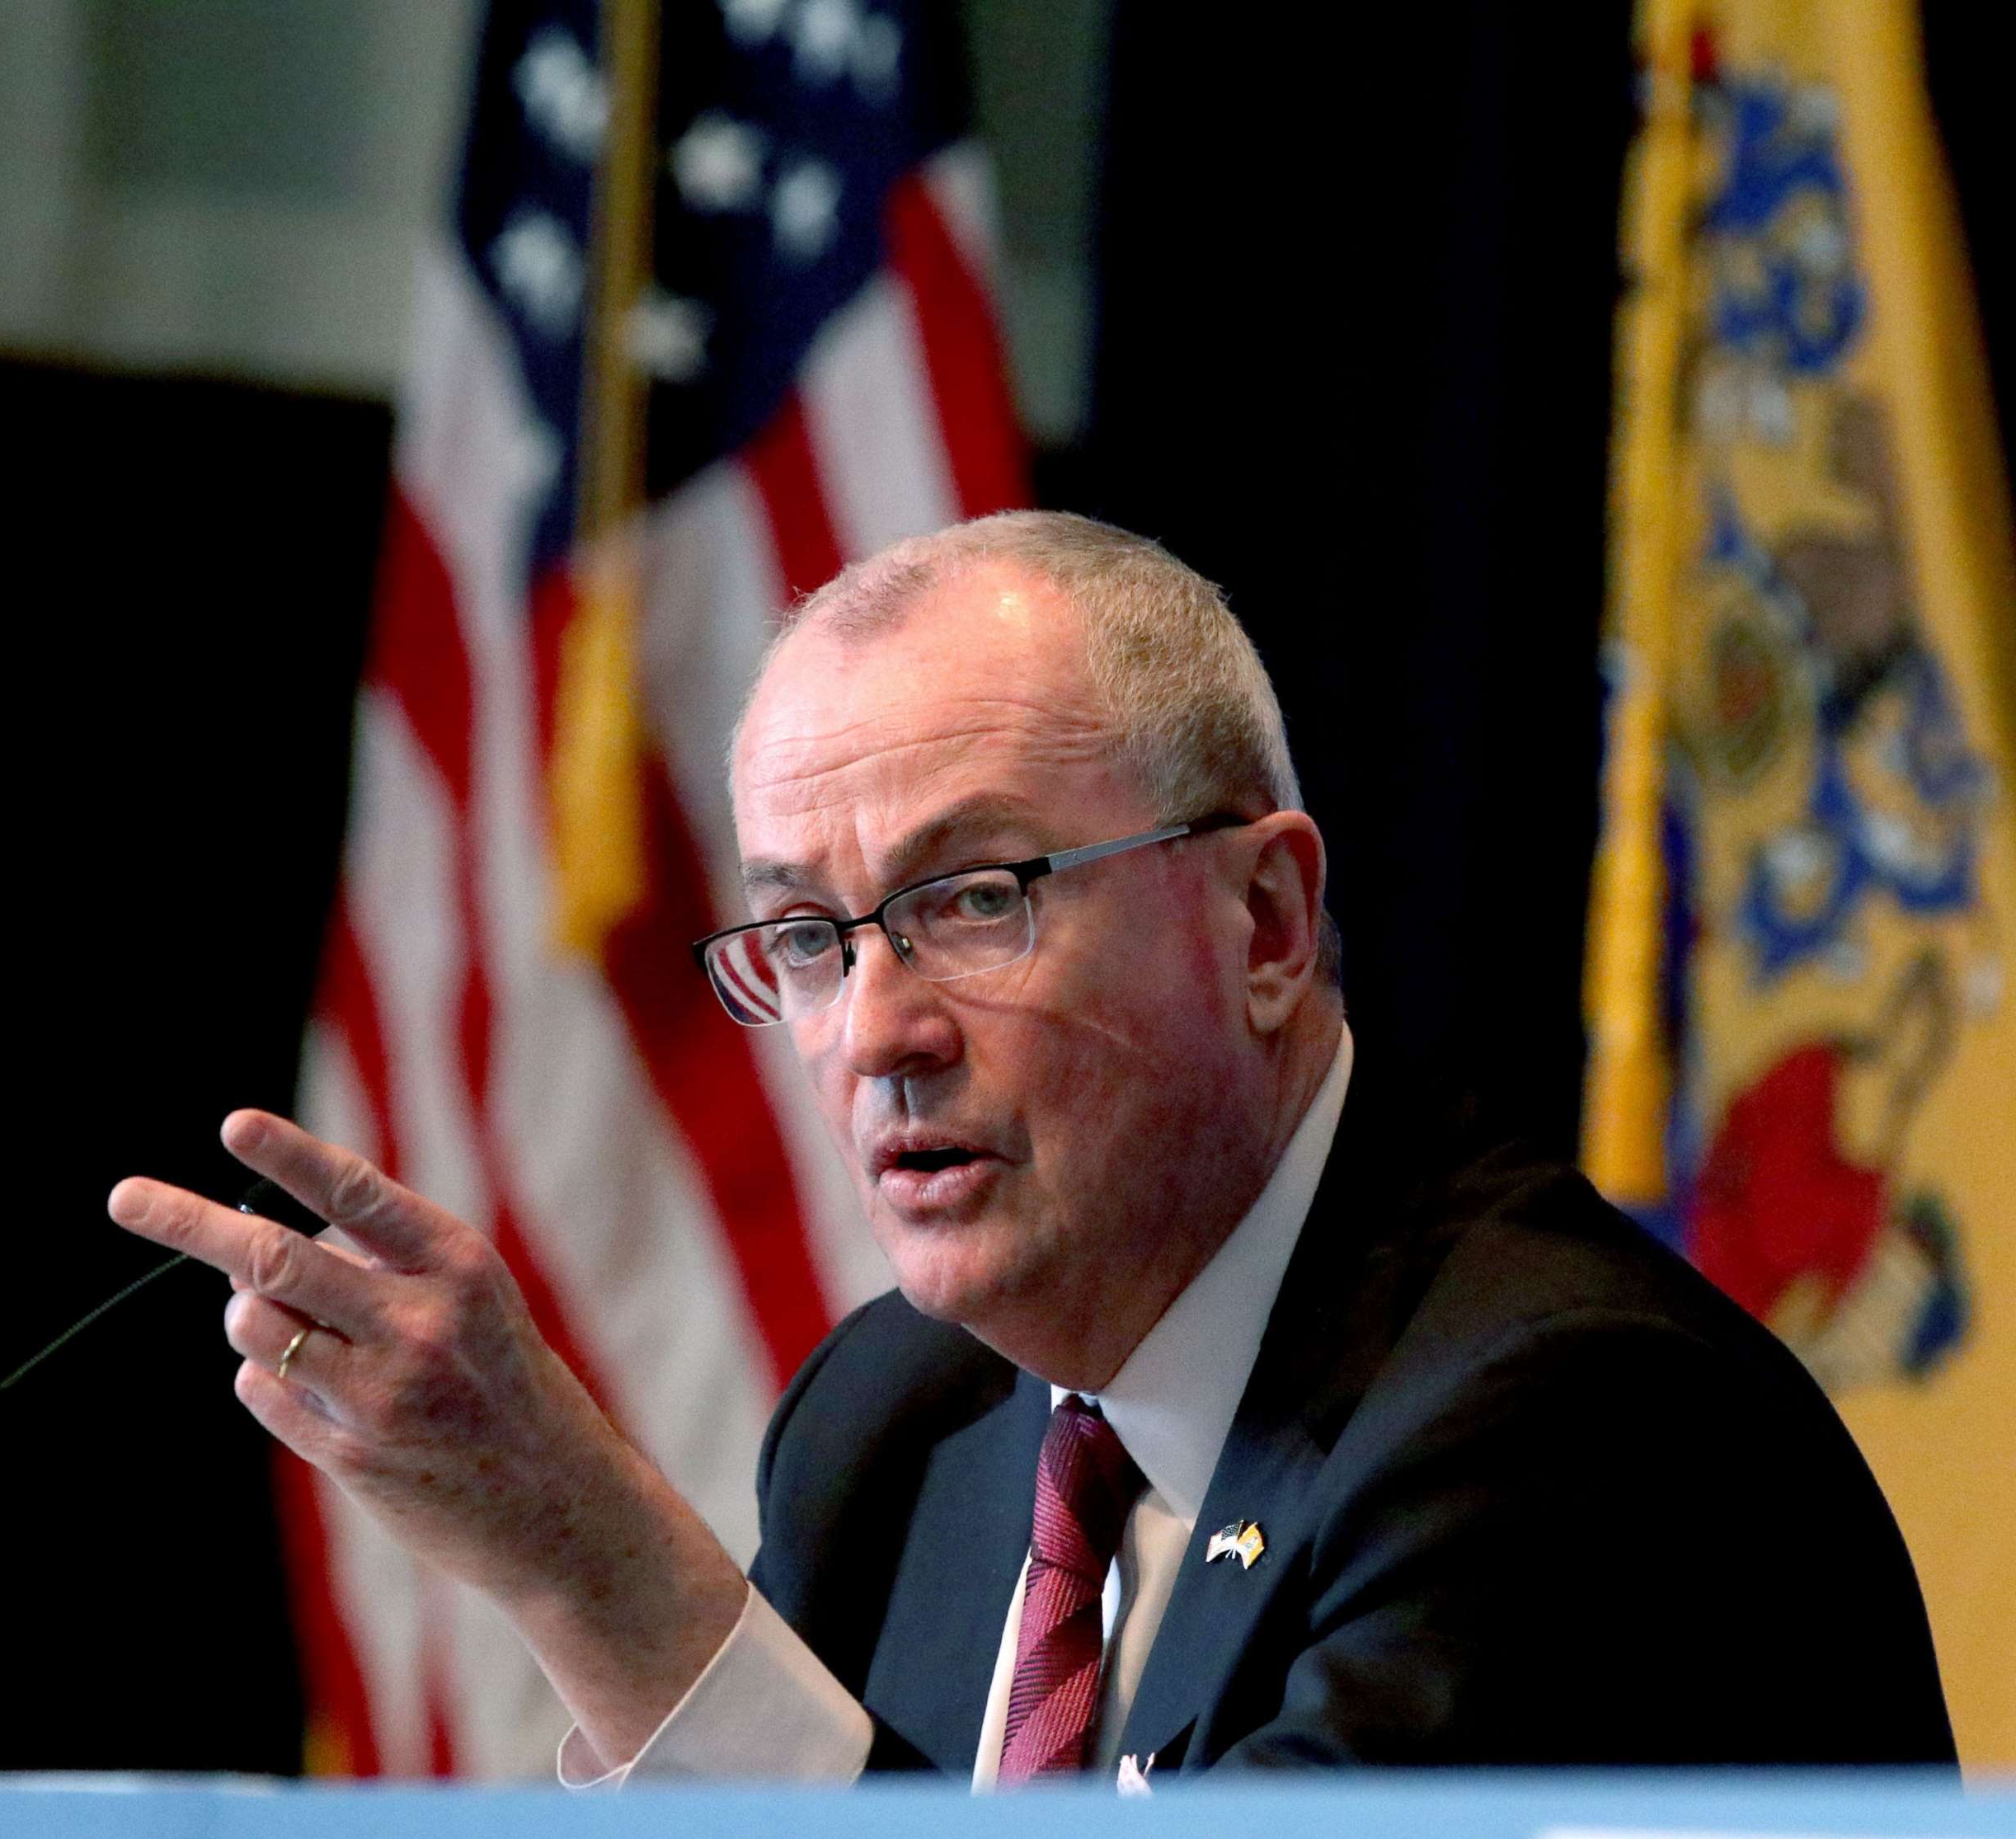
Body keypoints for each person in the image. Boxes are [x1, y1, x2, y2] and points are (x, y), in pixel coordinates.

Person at [109, 512, 1957, 1783]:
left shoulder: (1566, 1433)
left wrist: (599, 1570)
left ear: (1262, 924)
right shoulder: (901, 1424)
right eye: (813, 939)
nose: (876, 1031)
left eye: (979, 898)